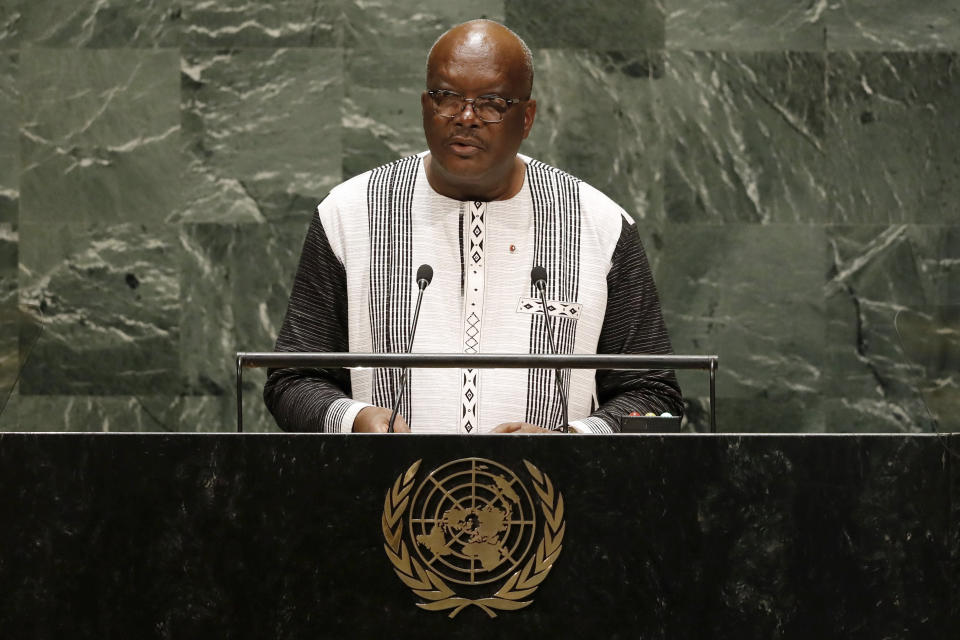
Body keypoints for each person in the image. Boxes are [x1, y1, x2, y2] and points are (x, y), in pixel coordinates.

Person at [263, 19, 682, 434]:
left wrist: (569, 443)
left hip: (553, 498)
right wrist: (355, 420)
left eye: (492, 104)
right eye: (447, 97)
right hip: (387, 496)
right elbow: (293, 380)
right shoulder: (349, 214)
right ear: (426, 105)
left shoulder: (601, 225)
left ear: (527, 117)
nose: (466, 117)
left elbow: (653, 397)